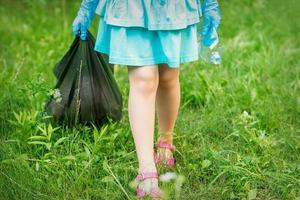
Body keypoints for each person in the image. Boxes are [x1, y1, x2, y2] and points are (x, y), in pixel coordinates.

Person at [72, 0, 221, 199]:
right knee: (144, 79)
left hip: (172, 8)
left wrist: (210, 4)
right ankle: (146, 167)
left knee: (169, 77)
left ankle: (165, 141)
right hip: (132, 8)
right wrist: (87, 7)